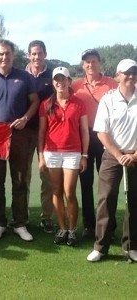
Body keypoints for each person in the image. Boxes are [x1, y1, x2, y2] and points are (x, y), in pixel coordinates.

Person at [0, 39, 38, 241]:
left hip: (19, 135)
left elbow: (35, 101)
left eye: (8, 54)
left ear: (13, 55)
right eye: (1, 54)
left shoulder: (24, 77)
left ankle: (19, 223)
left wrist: (25, 118)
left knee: (20, 181)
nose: (4, 57)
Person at [87, 59, 137, 262]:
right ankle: (101, 247)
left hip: (135, 155)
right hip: (112, 156)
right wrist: (118, 155)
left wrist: (133, 156)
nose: (131, 76)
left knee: (134, 202)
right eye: (126, 73)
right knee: (106, 199)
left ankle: (131, 246)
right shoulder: (108, 99)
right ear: (117, 76)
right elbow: (101, 132)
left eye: (134, 72)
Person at [38, 67, 89, 246]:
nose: (60, 82)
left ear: (69, 81)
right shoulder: (45, 104)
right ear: (53, 83)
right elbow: (42, 132)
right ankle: (62, 228)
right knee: (56, 191)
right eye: (56, 79)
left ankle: (73, 230)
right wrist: (40, 156)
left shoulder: (78, 103)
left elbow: (84, 131)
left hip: (73, 152)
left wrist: (85, 155)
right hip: (51, 152)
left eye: (63, 79)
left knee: (69, 192)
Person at [72, 49, 117, 239]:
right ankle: (89, 226)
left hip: (106, 136)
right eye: (87, 62)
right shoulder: (75, 85)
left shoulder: (111, 84)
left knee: (108, 184)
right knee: (86, 182)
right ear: (83, 65)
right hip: (84, 137)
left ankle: (108, 227)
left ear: (100, 63)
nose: (90, 65)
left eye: (94, 61)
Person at [25, 40, 54, 233]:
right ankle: (22, 216)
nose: (36, 57)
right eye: (33, 54)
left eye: (40, 53)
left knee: (47, 176)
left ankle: (46, 217)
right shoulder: (21, 74)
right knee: (23, 175)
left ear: (45, 54)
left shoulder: (53, 75)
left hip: (48, 132)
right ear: (29, 55)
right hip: (25, 131)